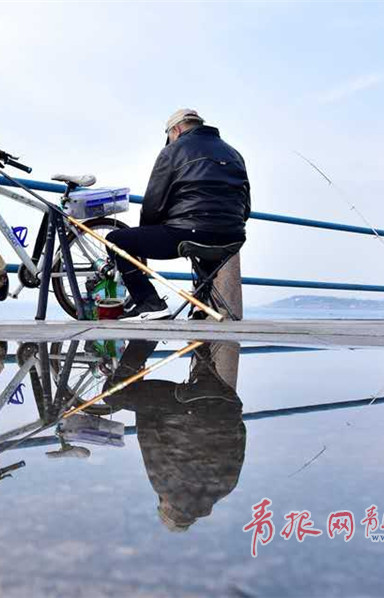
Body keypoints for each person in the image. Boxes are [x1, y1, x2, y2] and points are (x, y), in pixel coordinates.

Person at [108, 109, 251, 320]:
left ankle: (150, 303)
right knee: (208, 240)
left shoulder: (173, 150)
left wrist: (146, 234)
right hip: (233, 237)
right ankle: (201, 304)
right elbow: (246, 206)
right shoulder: (235, 154)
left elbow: (153, 204)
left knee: (116, 240)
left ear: (175, 129)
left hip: (188, 233)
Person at [104, 340, 246, 531]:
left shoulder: (226, 488)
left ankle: (202, 344)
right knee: (113, 394)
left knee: (207, 392)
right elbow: (147, 436)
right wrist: (140, 396)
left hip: (228, 403)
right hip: (189, 405)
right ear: (168, 509)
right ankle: (146, 338)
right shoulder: (167, 488)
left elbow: (240, 435)